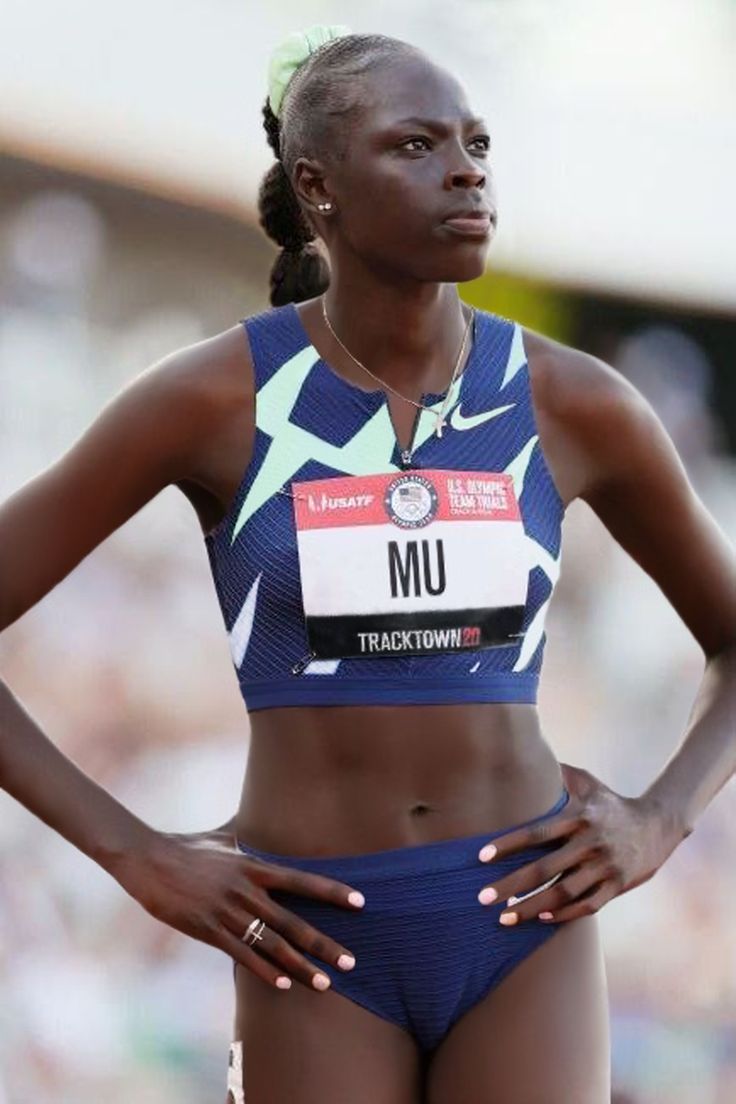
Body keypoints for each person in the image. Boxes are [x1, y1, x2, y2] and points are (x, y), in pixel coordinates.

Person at [0, 23, 734, 1104]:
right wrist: (134, 857)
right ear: (318, 186)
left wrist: (659, 820)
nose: (466, 168)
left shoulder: (573, 402)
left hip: (521, 922)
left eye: (477, 143)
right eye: (417, 144)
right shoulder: (213, 399)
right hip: (315, 938)